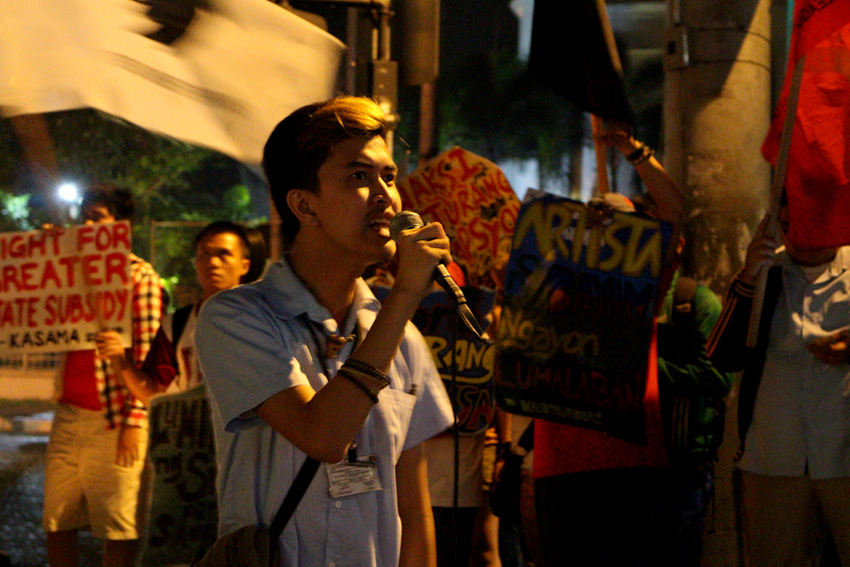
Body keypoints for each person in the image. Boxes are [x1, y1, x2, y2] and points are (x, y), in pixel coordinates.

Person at [195, 96, 455, 567]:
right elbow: (324, 436)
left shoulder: (403, 339)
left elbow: (414, 516)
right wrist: (404, 297)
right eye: (359, 176)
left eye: (389, 176)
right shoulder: (237, 317)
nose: (386, 197)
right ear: (304, 205)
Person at [531, 126, 685, 566]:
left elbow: (674, 209)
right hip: (562, 465)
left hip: (632, 462)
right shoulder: (554, 279)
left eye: (621, 228)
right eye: (596, 225)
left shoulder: (641, 284)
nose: (607, 235)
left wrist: (634, 152)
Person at [707, 200, 850, 565]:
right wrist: (749, 277)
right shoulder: (769, 273)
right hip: (774, 452)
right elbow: (722, 355)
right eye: (790, 226)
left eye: (811, 226)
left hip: (843, 449)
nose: (801, 238)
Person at [42, 185, 164, 567]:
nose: (90, 226)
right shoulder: (69, 271)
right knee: (56, 520)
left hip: (115, 421)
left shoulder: (140, 276)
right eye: (86, 218)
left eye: (99, 218)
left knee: (118, 526)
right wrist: (44, 253)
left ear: (120, 226)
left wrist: (134, 421)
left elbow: (145, 353)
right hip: (68, 414)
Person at [98, 220, 265, 403]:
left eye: (223, 254)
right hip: (195, 430)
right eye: (205, 254)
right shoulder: (176, 325)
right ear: (196, 263)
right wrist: (122, 359)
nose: (212, 262)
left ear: (245, 265)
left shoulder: (264, 322)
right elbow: (154, 393)